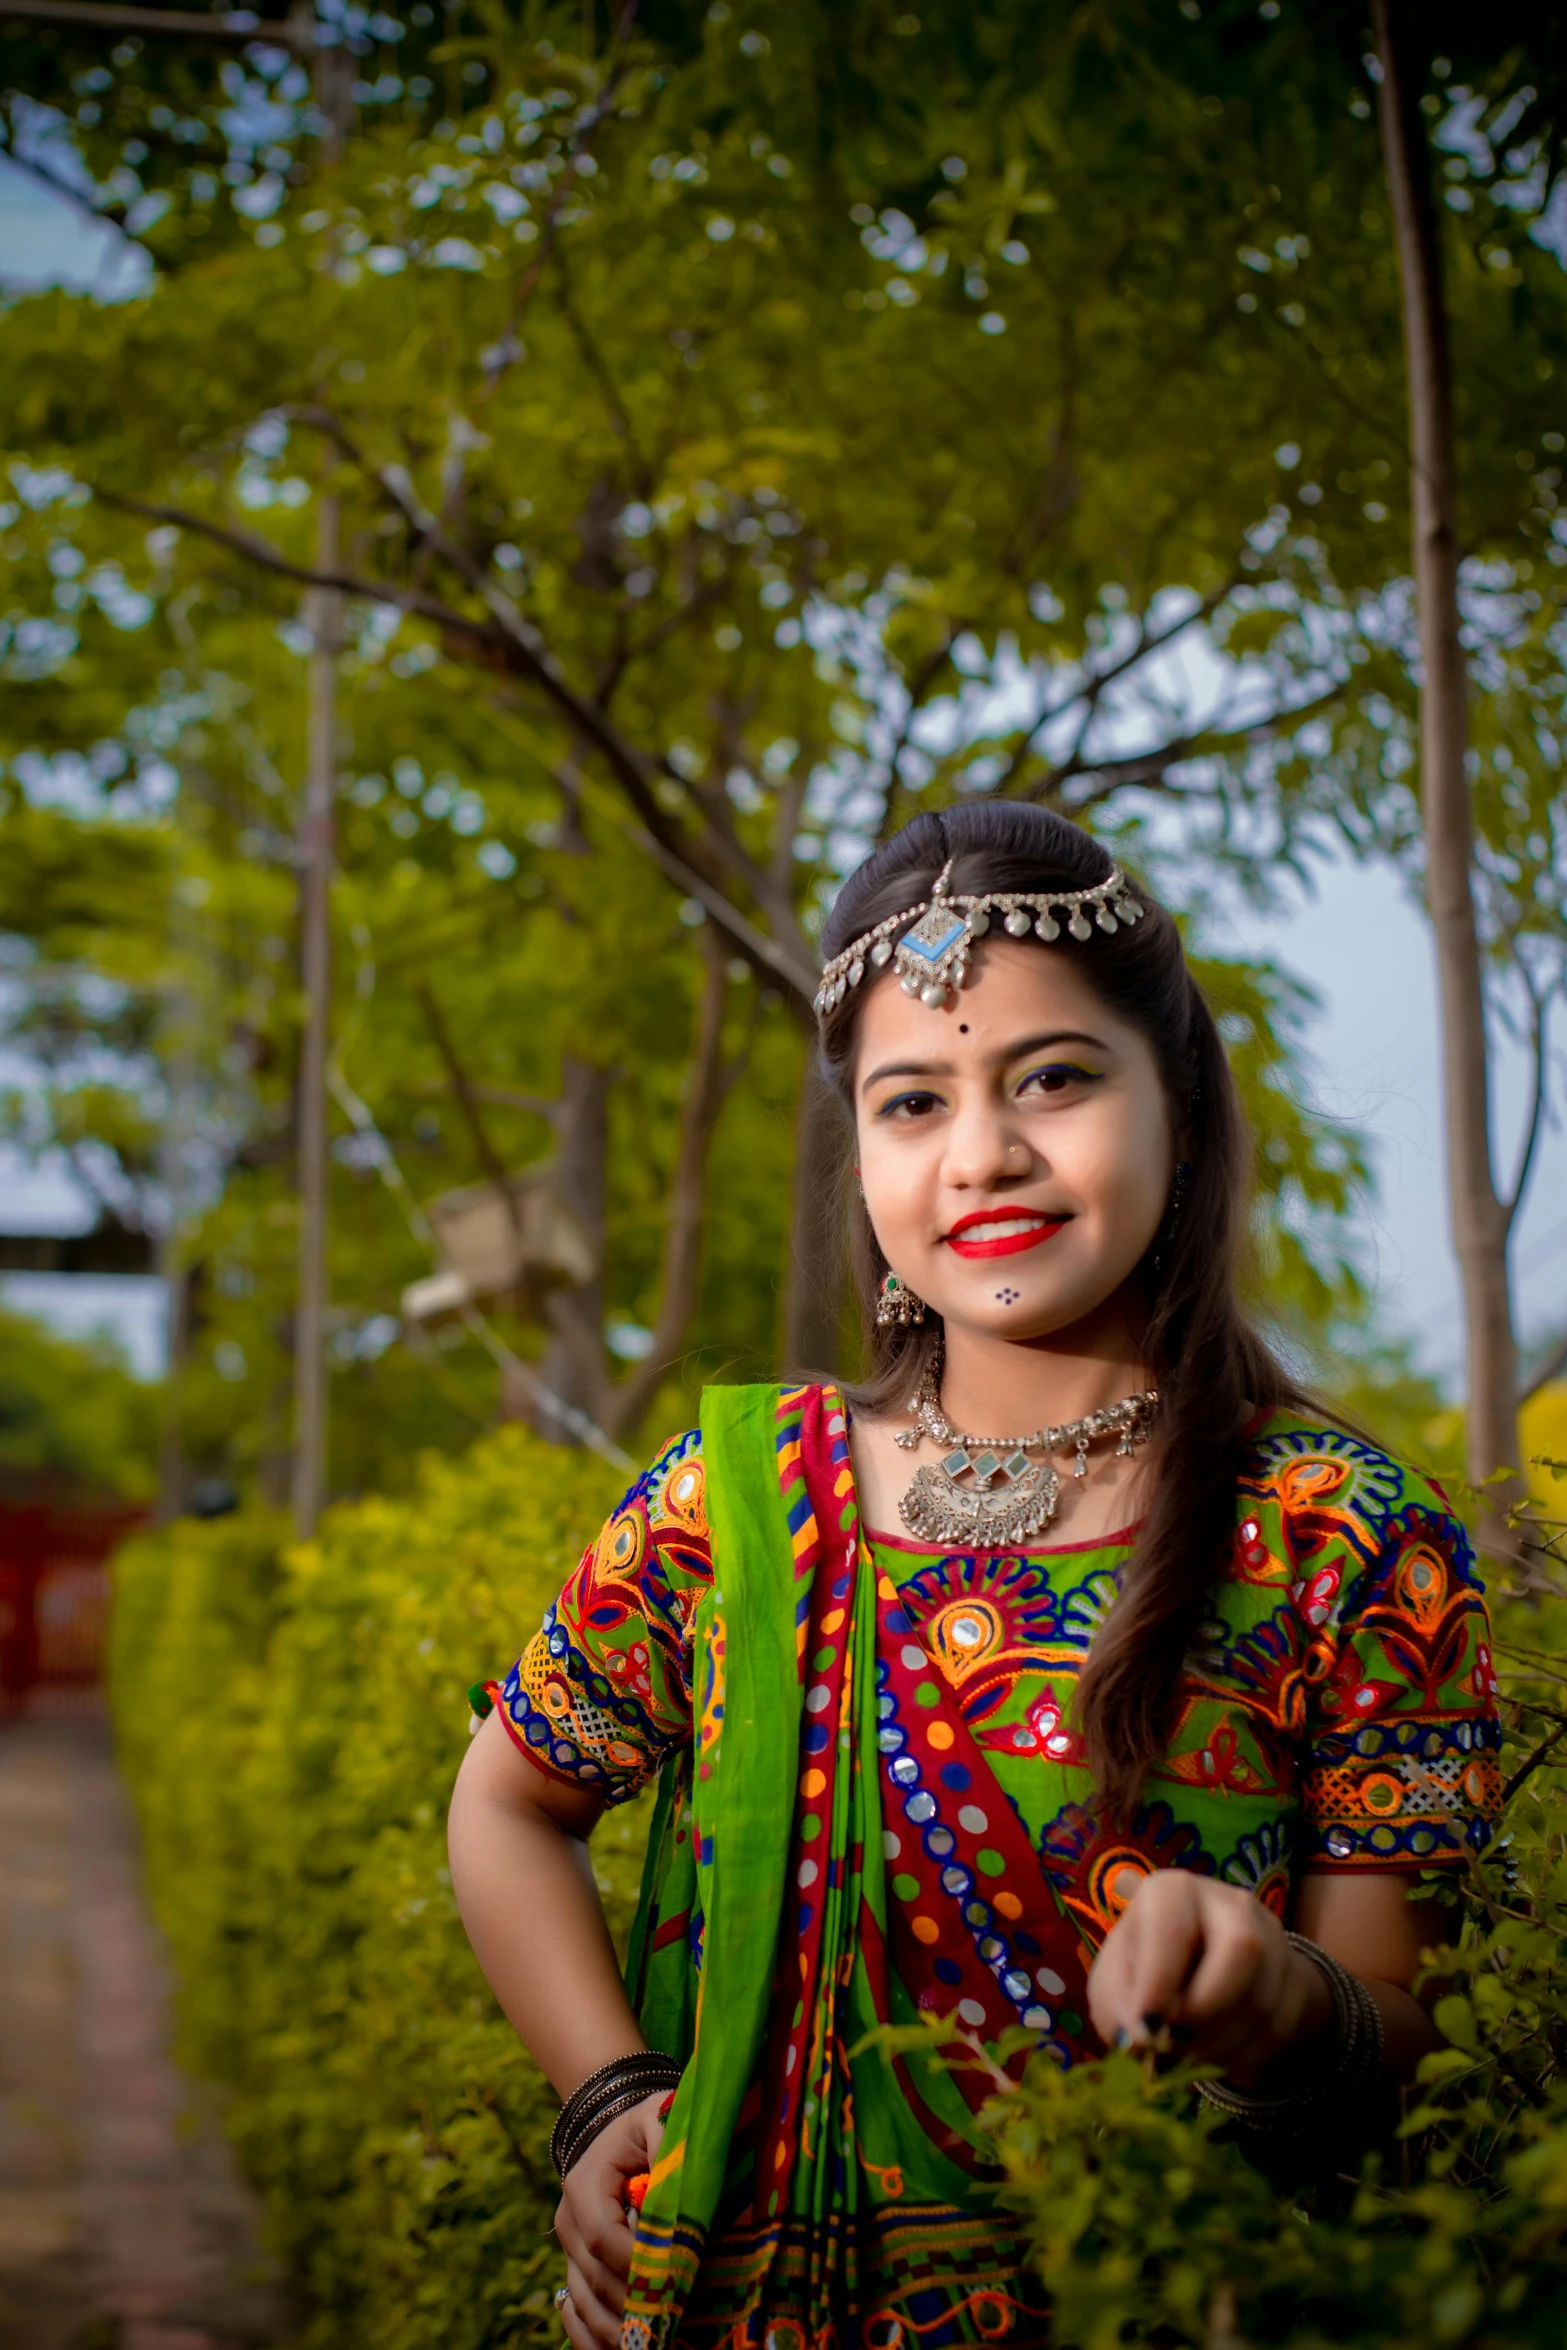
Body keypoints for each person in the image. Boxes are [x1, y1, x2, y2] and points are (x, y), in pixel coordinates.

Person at [448, 803, 1500, 2350]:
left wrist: (1276, 1999)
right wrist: (606, 2092)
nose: (983, 1152)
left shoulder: (1345, 1538)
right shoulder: (732, 1506)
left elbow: (1412, 2050)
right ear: (861, 1154)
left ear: (1182, 1109)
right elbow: (507, 1798)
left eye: (1053, 1078)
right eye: (910, 1101)